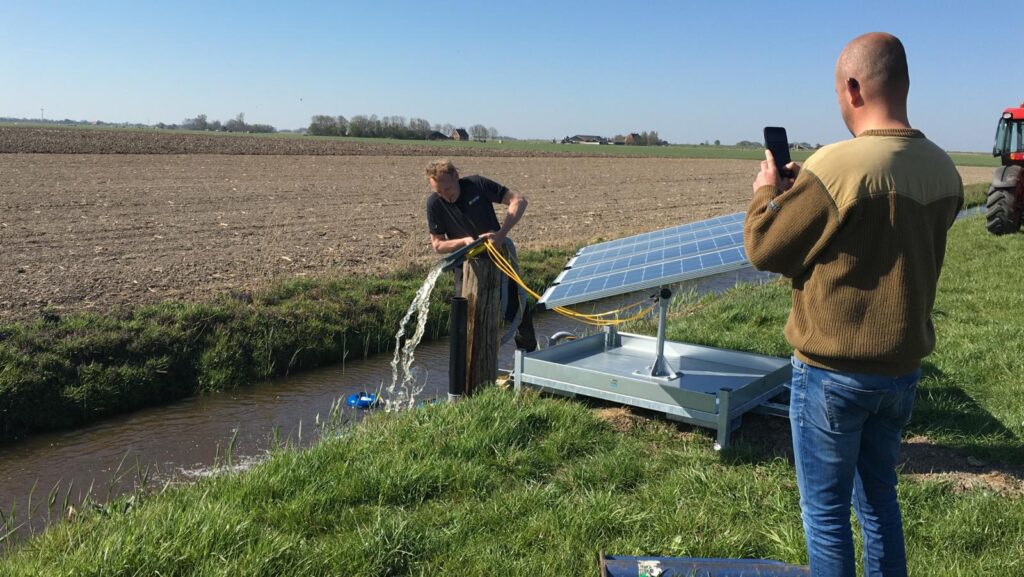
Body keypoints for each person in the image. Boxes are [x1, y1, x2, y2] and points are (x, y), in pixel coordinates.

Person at [744, 33, 963, 577]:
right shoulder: (944, 170)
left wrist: (767, 191)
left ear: (853, 88)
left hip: (832, 374)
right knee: (880, 505)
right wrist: (809, 194)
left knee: (825, 514)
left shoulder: (836, 165)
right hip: (901, 373)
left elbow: (764, 248)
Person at [425, 158, 537, 352]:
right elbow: (438, 245)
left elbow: (518, 200)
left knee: (519, 313)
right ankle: (473, 373)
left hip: (499, 259)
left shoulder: (477, 185)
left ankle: (528, 364)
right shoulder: (434, 204)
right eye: (439, 192)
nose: (445, 196)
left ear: (456, 177)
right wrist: (465, 242)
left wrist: (501, 235)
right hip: (467, 269)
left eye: (448, 189)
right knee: (468, 320)